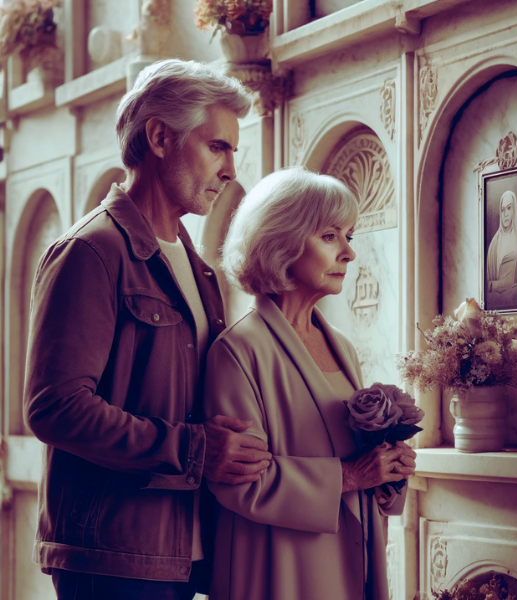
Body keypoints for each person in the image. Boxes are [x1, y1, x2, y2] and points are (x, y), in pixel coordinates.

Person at [23, 59, 273, 599]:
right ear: (160, 137)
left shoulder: (199, 267)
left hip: (184, 555)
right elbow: (55, 407)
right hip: (111, 560)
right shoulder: (91, 252)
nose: (231, 168)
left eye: (233, 150)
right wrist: (195, 450)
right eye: (218, 147)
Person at [203, 167, 417, 600]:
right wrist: (350, 476)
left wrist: (389, 471)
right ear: (281, 242)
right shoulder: (239, 351)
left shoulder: (342, 347)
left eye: (349, 237)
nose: (348, 254)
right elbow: (240, 480)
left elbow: (356, 466)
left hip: (350, 561)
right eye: (329, 236)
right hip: (280, 570)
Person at [486, 189, 517, 309]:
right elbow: (486, 285)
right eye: (503, 209)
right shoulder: (494, 244)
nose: (506, 214)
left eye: (509, 208)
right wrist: (497, 285)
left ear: (514, 210)